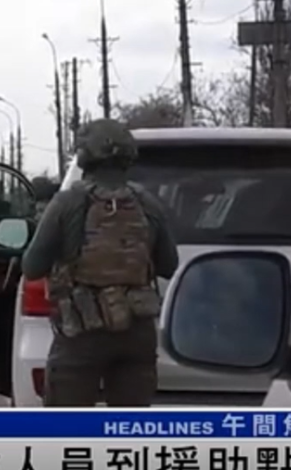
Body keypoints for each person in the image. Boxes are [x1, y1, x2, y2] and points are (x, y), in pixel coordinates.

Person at [21, 119, 179, 407]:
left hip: (82, 331)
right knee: (129, 426)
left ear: (85, 155)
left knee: (68, 426)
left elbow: (32, 266)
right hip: (137, 333)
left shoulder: (67, 202)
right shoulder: (148, 203)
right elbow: (169, 265)